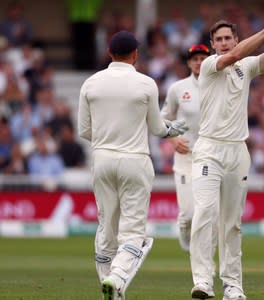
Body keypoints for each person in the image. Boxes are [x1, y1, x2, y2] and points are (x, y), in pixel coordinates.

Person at [77, 30, 188, 300]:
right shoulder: (146, 83)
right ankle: (116, 278)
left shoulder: (91, 83)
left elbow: (84, 130)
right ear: (136, 54)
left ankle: (110, 285)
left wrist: (106, 138)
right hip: (135, 161)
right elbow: (156, 127)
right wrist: (174, 129)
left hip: (102, 159)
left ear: (109, 53)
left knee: (106, 226)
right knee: (133, 231)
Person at [189, 3, 264, 300]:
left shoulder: (246, 66)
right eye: (218, 40)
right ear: (212, 44)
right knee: (204, 213)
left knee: (232, 222)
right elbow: (235, 55)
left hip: (237, 152)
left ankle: (232, 284)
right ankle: (203, 281)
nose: (223, 43)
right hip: (209, 149)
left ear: (235, 37)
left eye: (228, 38)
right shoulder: (208, 66)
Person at [160, 44, 214, 252]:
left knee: (209, 213)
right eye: (195, 59)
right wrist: (173, 140)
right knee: (189, 214)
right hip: (185, 156)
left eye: (203, 58)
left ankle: (204, 259)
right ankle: (184, 231)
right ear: (189, 63)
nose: (199, 62)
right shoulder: (178, 88)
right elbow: (163, 119)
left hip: (211, 156)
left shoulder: (218, 84)